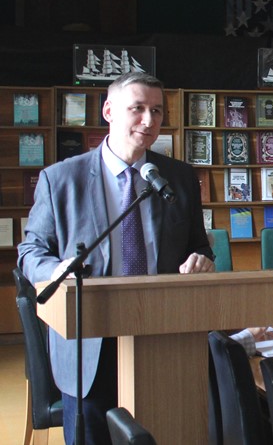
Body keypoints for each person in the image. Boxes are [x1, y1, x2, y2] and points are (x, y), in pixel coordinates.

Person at [18, 72, 214, 445]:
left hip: (162, 336)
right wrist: (57, 271)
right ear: (108, 111)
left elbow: (200, 247)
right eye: (137, 108)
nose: (149, 120)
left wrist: (201, 260)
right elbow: (31, 251)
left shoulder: (179, 177)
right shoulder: (61, 179)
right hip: (90, 337)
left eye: (157, 110)